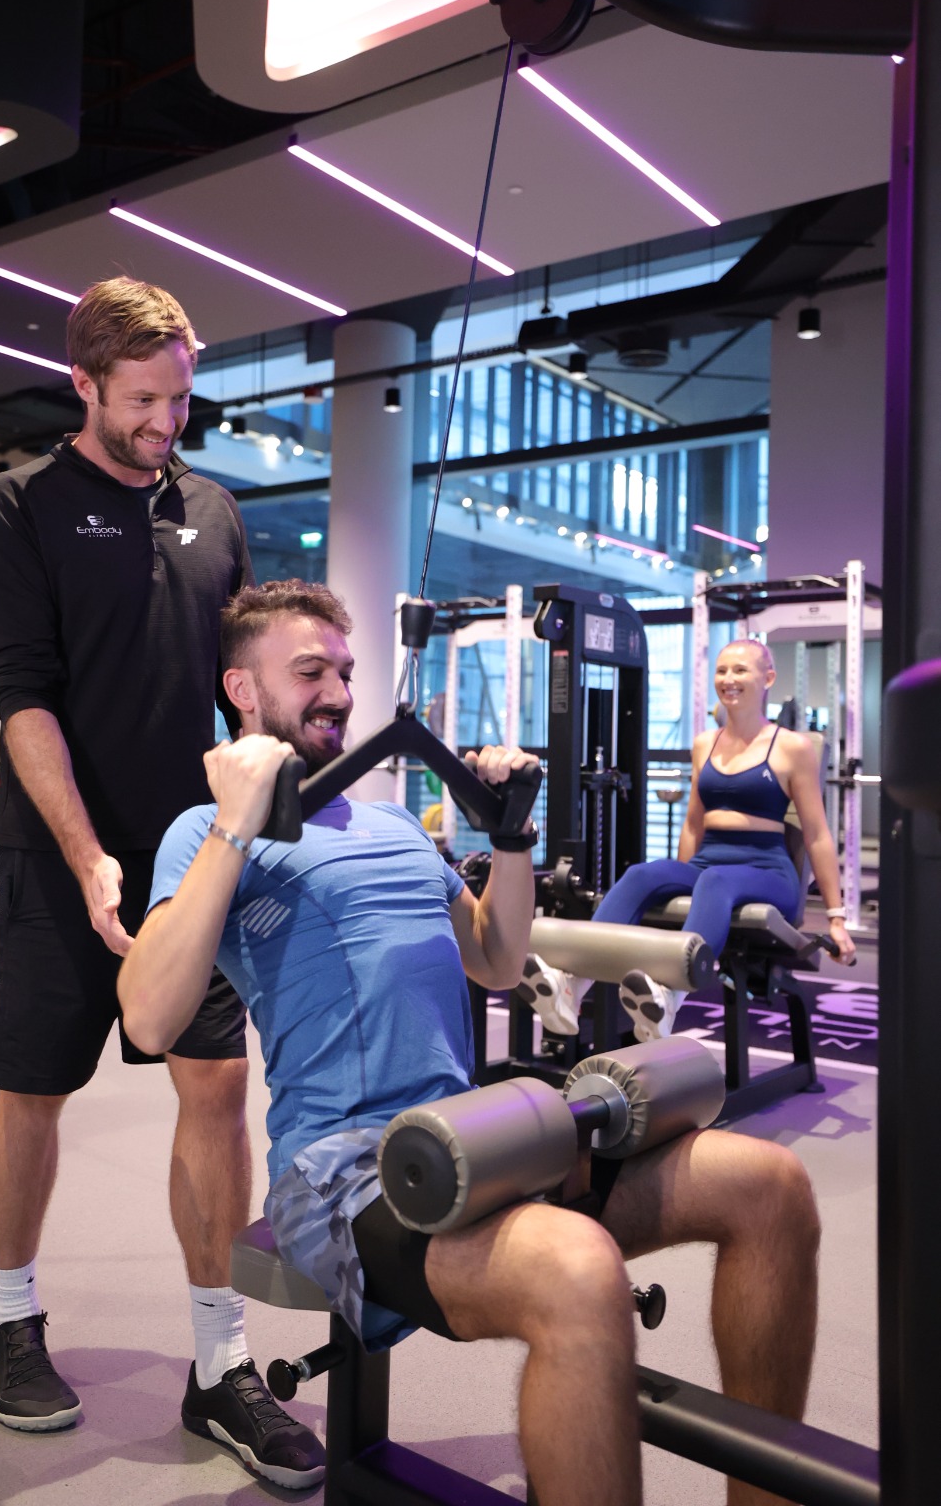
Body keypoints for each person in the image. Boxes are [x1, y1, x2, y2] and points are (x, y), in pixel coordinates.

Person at [119, 581, 821, 1506]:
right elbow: (150, 1018)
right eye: (308, 672)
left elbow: (494, 956)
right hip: (345, 1171)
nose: (337, 692)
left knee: (771, 1187)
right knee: (578, 1275)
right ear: (242, 690)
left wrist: (514, 835)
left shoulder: (395, 823)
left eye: (344, 671)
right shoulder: (205, 836)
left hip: (484, 1134)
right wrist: (237, 826)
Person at [0, 279, 324, 1487]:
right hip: (60, 857)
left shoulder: (212, 510)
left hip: (192, 865)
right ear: (84, 384)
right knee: (33, 1090)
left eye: (181, 394)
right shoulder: (16, 511)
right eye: (146, 401)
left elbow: (244, 678)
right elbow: (26, 705)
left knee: (216, 1088)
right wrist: (83, 855)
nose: (172, 418)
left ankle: (219, 1364)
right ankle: (12, 1318)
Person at [524, 639, 857, 1044]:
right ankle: (573, 986)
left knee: (715, 881)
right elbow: (693, 824)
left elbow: (818, 835)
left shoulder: (793, 746)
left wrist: (837, 917)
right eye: (721, 671)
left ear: (767, 678)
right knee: (643, 875)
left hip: (768, 869)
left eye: (740, 670)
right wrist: (682, 884)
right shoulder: (705, 743)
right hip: (710, 864)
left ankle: (669, 997)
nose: (728, 679)